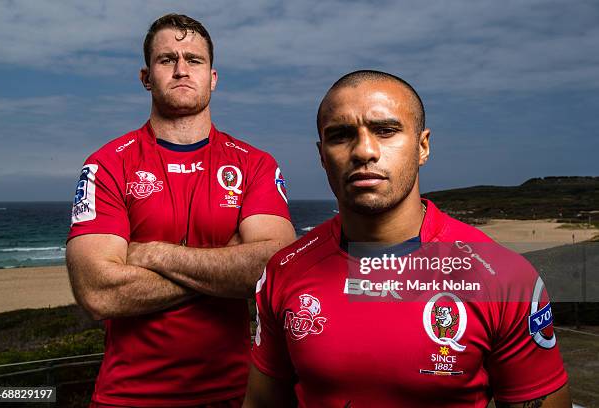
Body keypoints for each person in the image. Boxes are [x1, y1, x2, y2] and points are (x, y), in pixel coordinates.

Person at [244, 70, 570, 407]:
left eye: (386, 131)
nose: (364, 151)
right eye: (341, 135)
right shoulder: (284, 270)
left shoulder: (505, 277)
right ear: (322, 154)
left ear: (423, 146)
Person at [66, 13, 295, 407]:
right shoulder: (106, 164)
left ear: (213, 78)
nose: (181, 70)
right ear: (146, 77)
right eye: (167, 59)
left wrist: (151, 253)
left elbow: (272, 269)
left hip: (237, 394)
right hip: (128, 397)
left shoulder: (256, 164)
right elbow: (98, 292)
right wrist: (227, 264)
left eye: (194, 59)